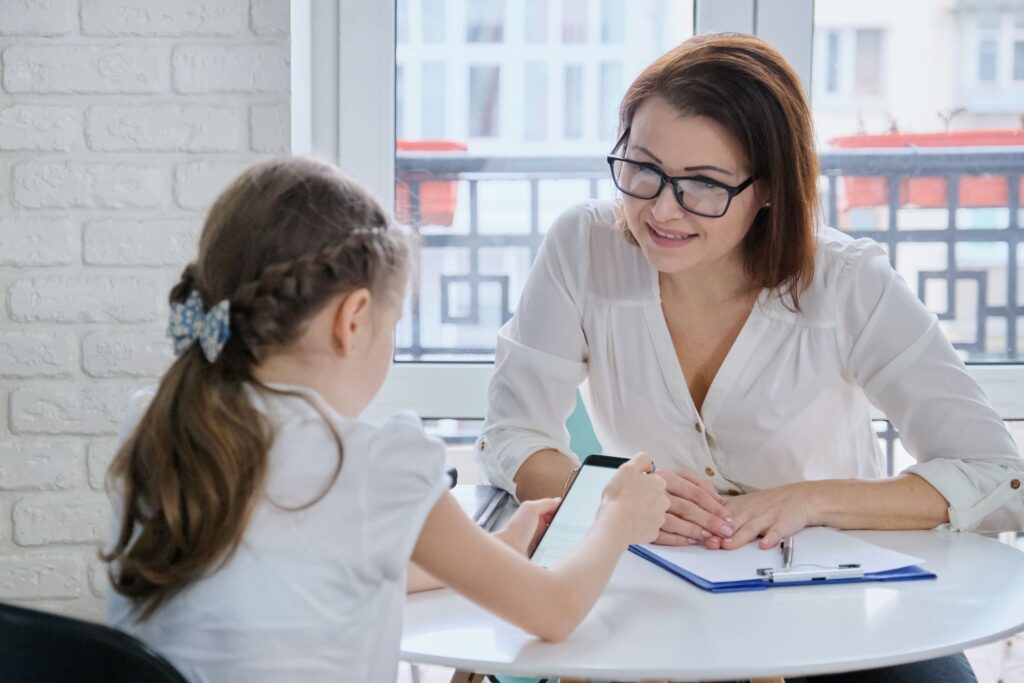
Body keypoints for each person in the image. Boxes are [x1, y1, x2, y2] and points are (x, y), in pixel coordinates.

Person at [477, 34, 1023, 681]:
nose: (660, 207)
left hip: (841, 609)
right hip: (662, 605)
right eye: (642, 168)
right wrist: (614, 498)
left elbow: (996, 475)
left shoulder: (849, 283)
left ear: (766, 191)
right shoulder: (582, 246)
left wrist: (812, 499)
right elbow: (513, 434)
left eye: (703, 185)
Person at [102, 157, 669, 683]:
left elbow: (317, 578)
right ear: (352, 319)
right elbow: (555, 612)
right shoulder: (373, 464)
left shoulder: (159, 423)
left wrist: (496, 548)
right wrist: (617, 518)